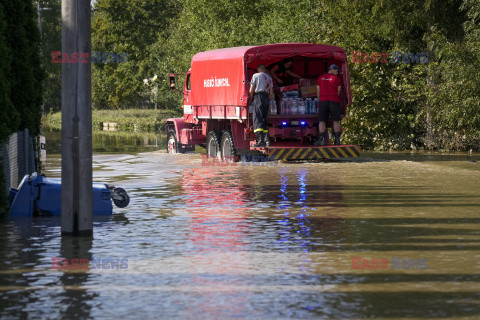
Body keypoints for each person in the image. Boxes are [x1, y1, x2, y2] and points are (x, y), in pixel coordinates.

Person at [315, 64, 342, 146]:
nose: (337, 73)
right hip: (334, 101)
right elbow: (338, 91)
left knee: (322, 121)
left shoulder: (320, 78)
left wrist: (321, 99)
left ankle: (321, 140)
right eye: (337, 71)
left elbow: (318, 92)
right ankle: (337, 141)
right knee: (336, 121)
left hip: (323, 101)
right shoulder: (337, 79)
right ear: (333, 69)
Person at [249, 64, 274, 147]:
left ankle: (261, 141)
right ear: (265, 70)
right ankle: (267, 140)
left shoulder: (255, 75)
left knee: (257, 117)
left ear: (258, 69)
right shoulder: (269, 77)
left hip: (258, 97)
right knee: (263, 118)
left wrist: (250, 98)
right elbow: (271, 93)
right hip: (266, 98)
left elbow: (252, 88)